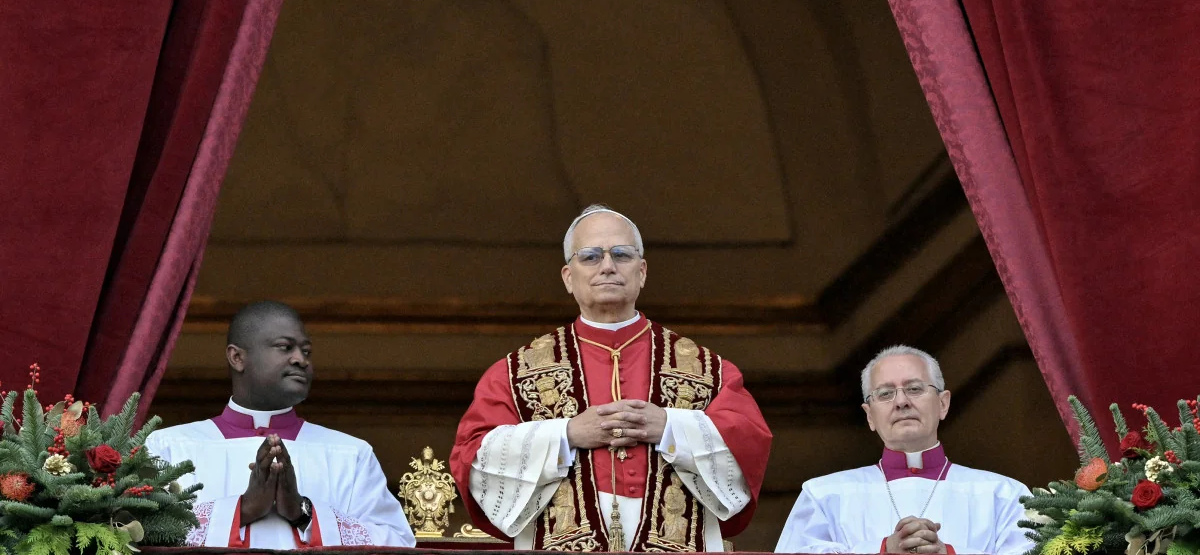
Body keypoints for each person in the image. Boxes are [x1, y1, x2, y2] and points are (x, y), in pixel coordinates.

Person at [450, 204, 772, 552]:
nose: (608, 266)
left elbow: (749, 445)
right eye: (590, 256)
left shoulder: (708, 370)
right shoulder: (514, 373)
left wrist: (669, 427)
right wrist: (566, 434)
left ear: (642, 271)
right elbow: (472, 457)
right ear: (568, 277)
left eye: (621, 254)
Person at [146, 301, 415, 549]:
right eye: (285, 347)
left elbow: (397, 542)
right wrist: (242, 510)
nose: (301, 359)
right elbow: (138, 534)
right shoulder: (168, 448)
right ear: (237, 358)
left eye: (306, 350)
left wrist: (303, 512)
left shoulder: (351, 454)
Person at [775, 345, 1032, 555]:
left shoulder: (1006, 495)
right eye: (885, 393)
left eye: (914, 389)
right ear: (870, 416)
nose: (901, 402)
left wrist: (949, 553)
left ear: (943, 404)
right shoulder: (823, 495)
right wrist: (883, 550)